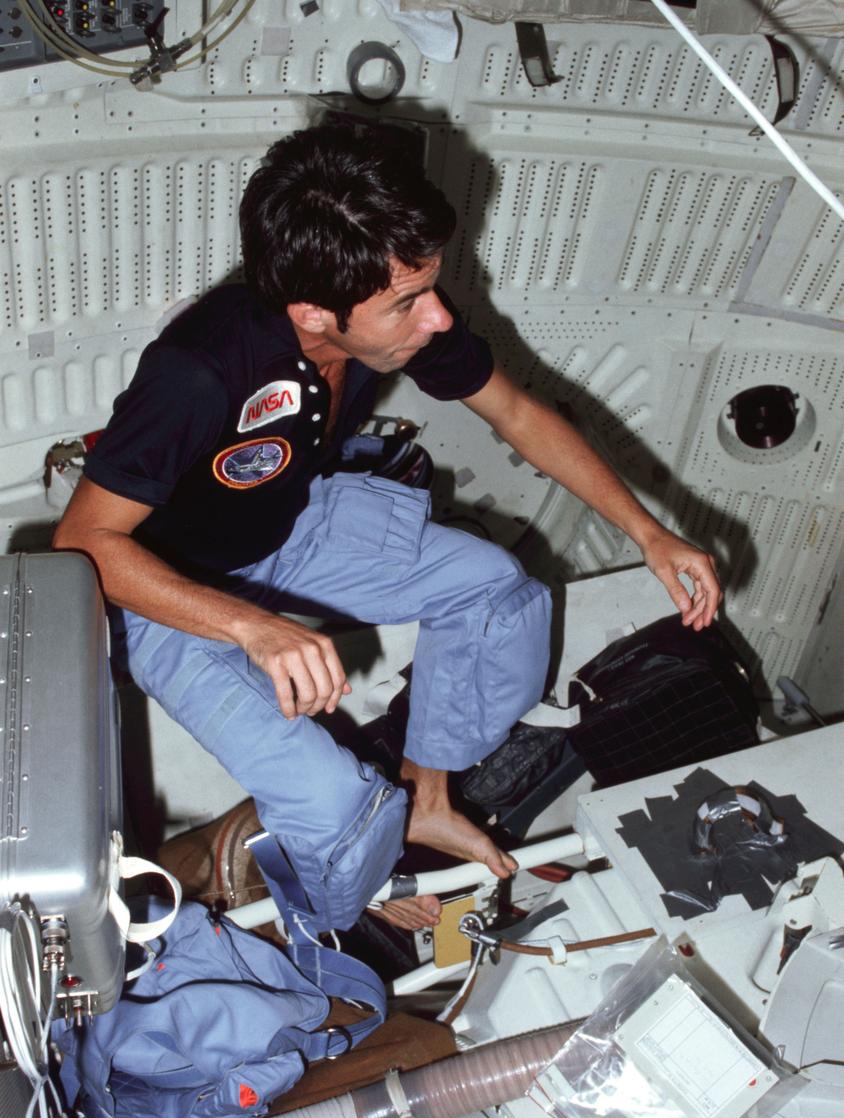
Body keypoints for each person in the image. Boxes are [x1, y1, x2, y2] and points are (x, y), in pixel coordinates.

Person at [54, 120, 722, 935]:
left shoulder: (390, 330)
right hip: (164, 589)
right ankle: (335, 914)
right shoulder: (200, 370)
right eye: (409, 301)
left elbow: (515, 412)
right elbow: (82, 544)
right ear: (313, 313)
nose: (437, 318)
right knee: (337, 805)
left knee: (497, 596)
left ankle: (426, 800)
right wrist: (254, 629)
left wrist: (648, 534)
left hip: (283, 525)